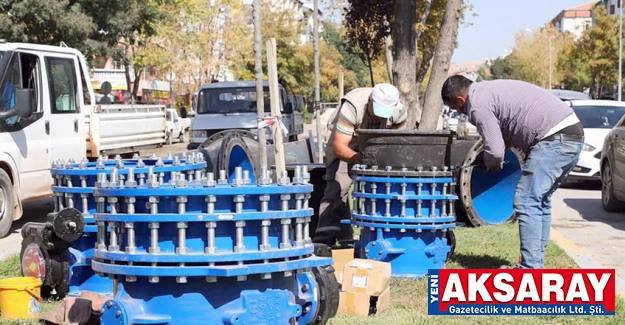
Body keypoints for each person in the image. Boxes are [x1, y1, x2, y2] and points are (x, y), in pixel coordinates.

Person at [441, 75, 583, 269]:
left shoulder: (477, 105)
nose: (461, 113)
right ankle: (534, 265)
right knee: (540, 201)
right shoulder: (487, 91)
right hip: (571, 135)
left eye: (457, 109)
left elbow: (496, 152)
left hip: (553, 139)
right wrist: (487, 157)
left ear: (460, 100)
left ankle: (530, 269)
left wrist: (491, 164)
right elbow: (506, 137)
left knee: (527, 201)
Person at [312, 83, 407, 246]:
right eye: (377, 112)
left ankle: (351, 237)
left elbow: (395, 140)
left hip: (374, 145)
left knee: (382, 188)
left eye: (385, 114)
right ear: (370, 101)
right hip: (345, 142)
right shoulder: (352, 106)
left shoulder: (399, 111)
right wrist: (364, 160)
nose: (380, 118)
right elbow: (340, 147)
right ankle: (323, 241)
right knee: (337, 187)